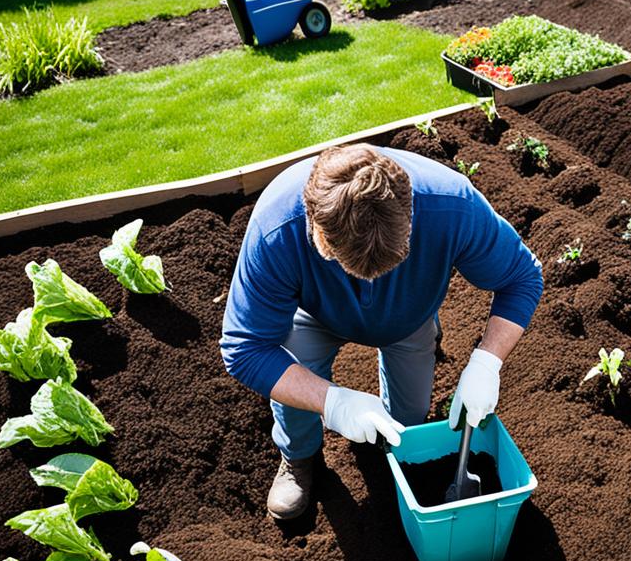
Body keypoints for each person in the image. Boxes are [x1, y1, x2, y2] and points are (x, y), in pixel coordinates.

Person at [220, 144, 543, 520]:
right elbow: (245, 348)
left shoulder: (451, 205)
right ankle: (299, 457)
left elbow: (522, 277)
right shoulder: (277, 227)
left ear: (410, 219)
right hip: (314, 314)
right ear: (318, 235)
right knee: (295, 388)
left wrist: (487, 362)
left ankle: (399, 451)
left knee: (410, 420)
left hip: (409, 313)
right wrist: (331, 401)